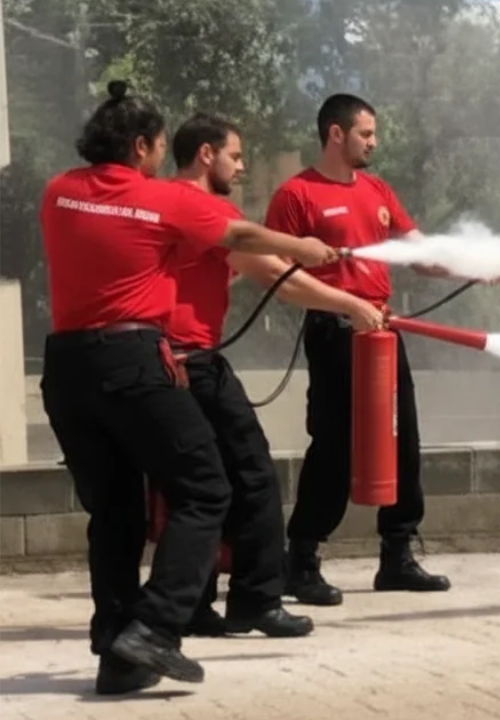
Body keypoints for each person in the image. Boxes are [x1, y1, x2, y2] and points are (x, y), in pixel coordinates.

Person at [39, 80, 339, 694]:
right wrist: (304, 246)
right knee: (206, 488)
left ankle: (117, 652)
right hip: (133, 359)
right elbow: (241, 237)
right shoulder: (158, 198)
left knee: (115, 510)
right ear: (144, 145)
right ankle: (155, 626)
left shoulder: (58, 193)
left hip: (66, 368)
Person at [165, 112, 388, 638]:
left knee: (198, 488)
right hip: (192, 361)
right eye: (236, 156)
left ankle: (194, 606)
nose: (242, 167)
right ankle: (256, 600)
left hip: (168, 360)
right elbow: (280, 278)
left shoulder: (167, 204)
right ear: (205, 154)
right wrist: (350, 302)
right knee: (254, 477)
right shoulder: (203, 210)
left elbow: (262, 270)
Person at [263, 93, 451, 605]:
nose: (375, 142)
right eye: (366, 133)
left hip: (383, 330)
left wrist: (473, 264)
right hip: (334, 333)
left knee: (402, 437)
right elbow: (278, 274)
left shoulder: (378, 190)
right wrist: (345, 304)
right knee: (335, 444)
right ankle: (300, 560)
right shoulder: (296, 195)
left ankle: (397, 555)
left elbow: (420, 252)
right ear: (336, 134)